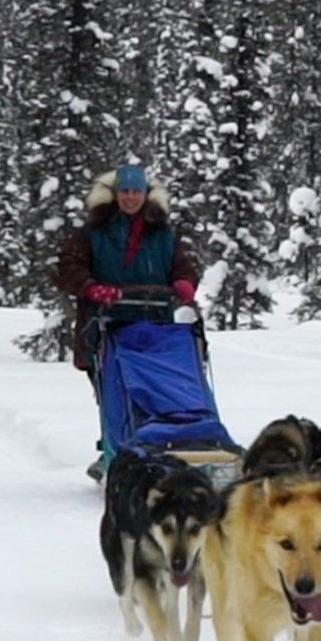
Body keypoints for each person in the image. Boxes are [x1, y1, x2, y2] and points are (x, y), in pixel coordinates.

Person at [56, 163, 199, 477]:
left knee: (158, 390)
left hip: (155, 327)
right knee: (115, 392)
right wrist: (91, 287)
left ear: (146, 194)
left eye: (136, 191)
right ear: (115, 194)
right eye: (125, 191)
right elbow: (67, 267)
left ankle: (160, 448)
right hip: (106, 326)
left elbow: (183, 265)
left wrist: (185, 283)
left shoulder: (162, 233)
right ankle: (114, 450)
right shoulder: (94, 231)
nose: (131, 197)